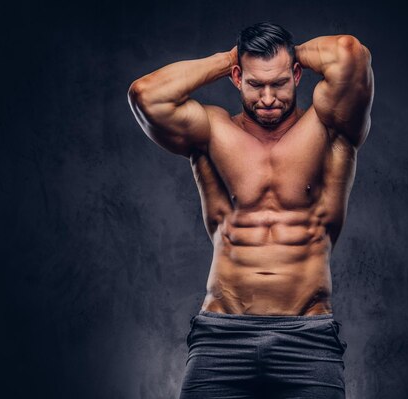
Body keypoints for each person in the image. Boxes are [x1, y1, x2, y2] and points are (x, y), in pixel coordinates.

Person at [128, 21, 373, 399]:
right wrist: (227, 57)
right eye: (256, 84)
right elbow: (146, 95)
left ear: (296, 74)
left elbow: (349, 54)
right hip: (221, 337)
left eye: (279, 83)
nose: (269, 97)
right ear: (237, 77)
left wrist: (292, 53)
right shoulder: (212, 130)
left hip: (307, 340)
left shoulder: (328, 127)